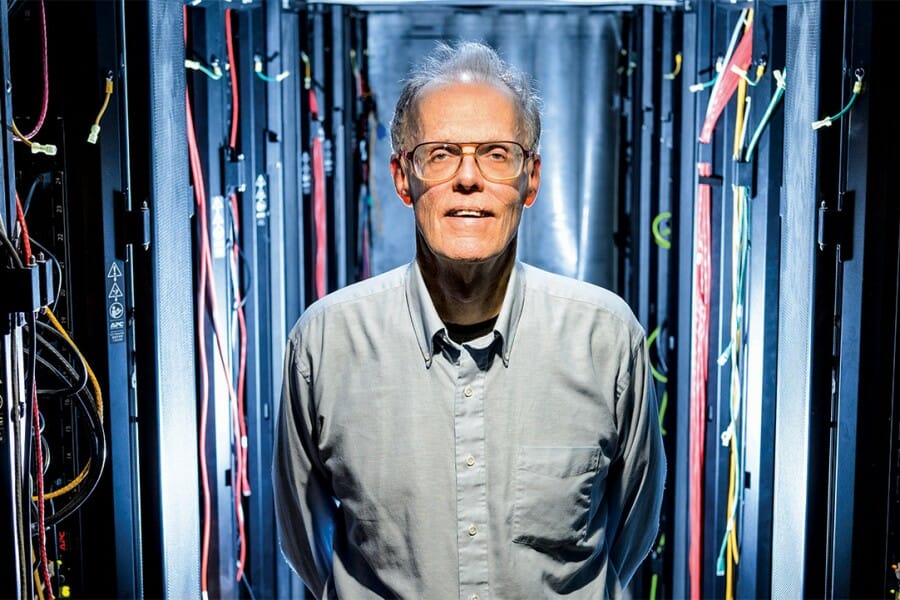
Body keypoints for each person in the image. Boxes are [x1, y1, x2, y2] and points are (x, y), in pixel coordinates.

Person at [272, 39, 666, 599]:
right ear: (403, 178)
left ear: (530, 180)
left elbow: (632, 529)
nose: (468, 178)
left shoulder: (605, 339)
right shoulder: (326, 343)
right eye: (440, 153)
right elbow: (305, 539)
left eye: (497, 154)